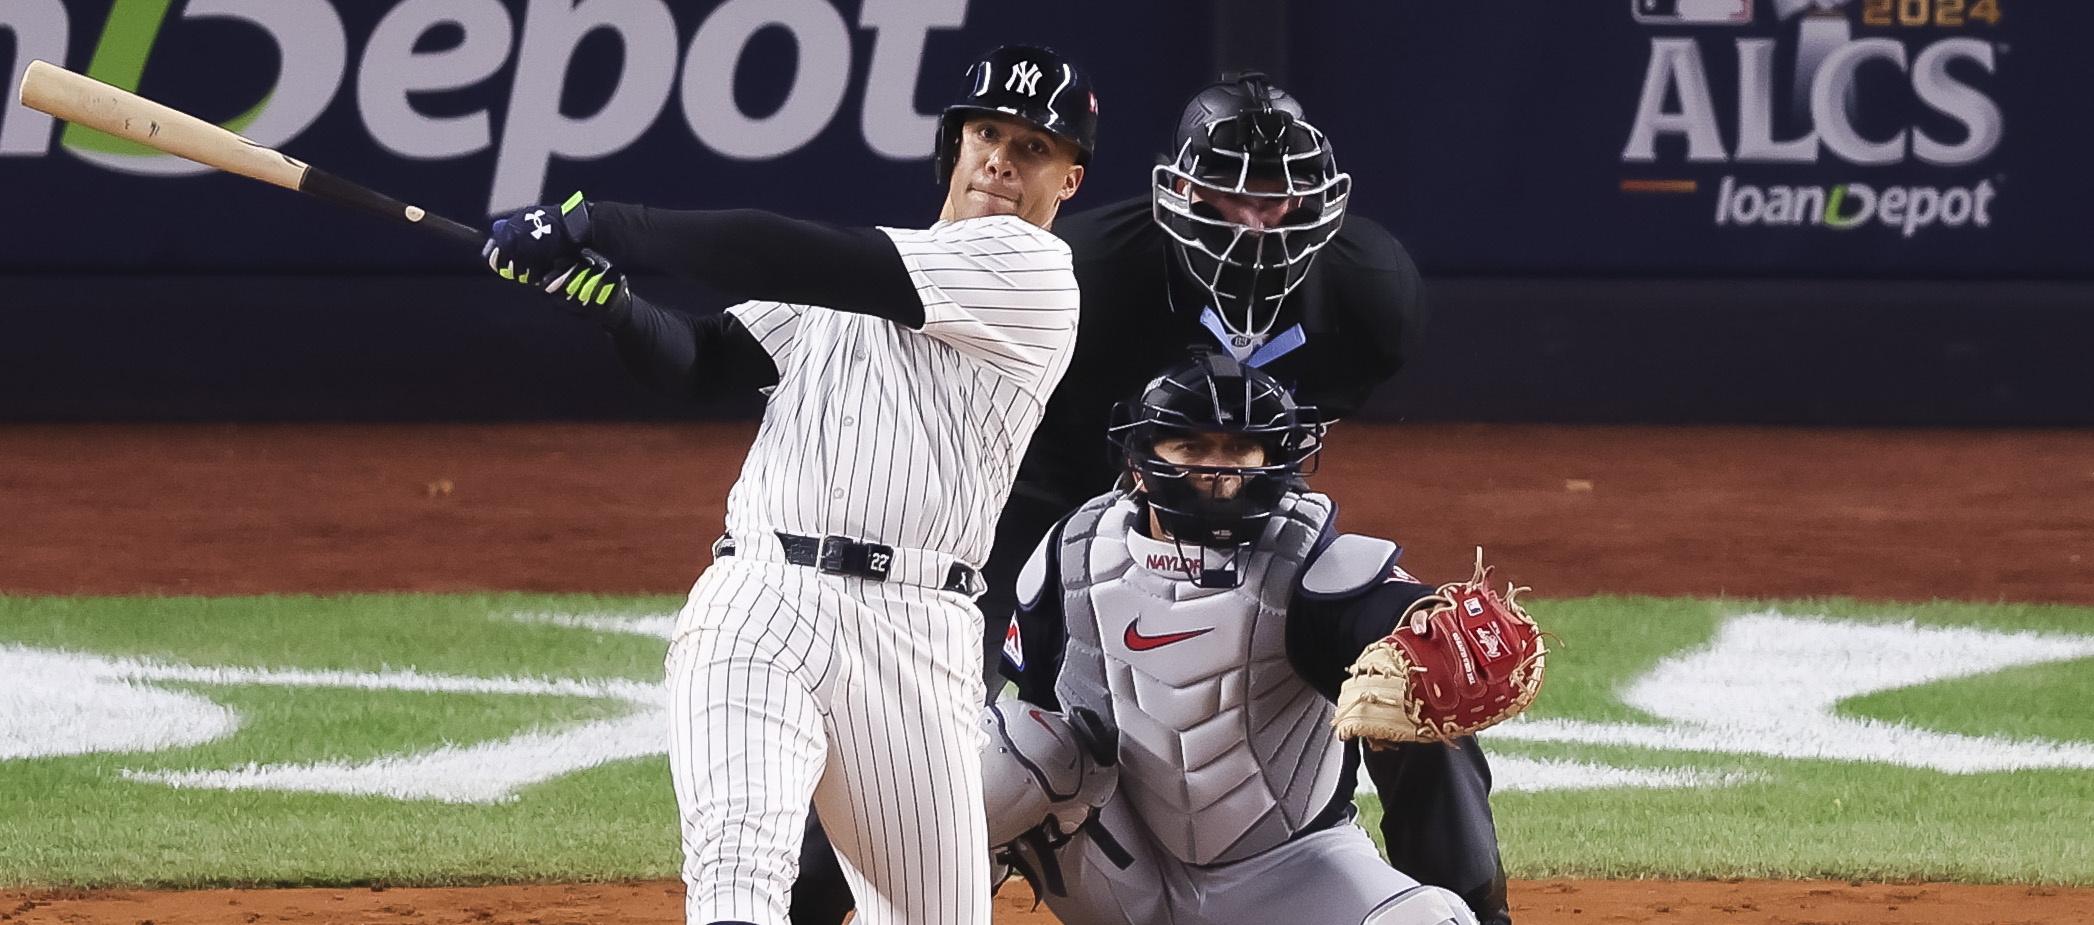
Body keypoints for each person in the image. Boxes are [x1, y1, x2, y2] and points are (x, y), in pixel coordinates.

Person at [790, 72, 1513, 925]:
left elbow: (1293, 446)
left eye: (1274, 200)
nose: (1253, 223)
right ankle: (806, 904)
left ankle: (1475, 911)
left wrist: (1390, 611)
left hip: (1239, 503)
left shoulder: (1371, 294)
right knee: (949, 716)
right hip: (1047, 496)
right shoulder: (1086, 276)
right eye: (1228, 196)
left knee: (1410, 683)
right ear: (1179, 191)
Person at [477, 45, 1098, 925]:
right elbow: (703, 359)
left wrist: (600, 222)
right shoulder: (865, 273)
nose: (1000, 159)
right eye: (985, 135)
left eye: (1032, 147)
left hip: (918, 638)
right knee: (739, 870)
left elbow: (790, 255)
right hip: (763, 600)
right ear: (954, 146)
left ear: (1068, 180)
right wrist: (612, 305)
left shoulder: (1030, 276)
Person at [982, 354, 1480, 925]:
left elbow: (1397, 623)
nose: (1219, 470)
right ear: (1141, 464)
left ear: (1274, 459)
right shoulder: (1073, 556)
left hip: (1292, 873)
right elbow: (1035, 710)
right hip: (1124, 877)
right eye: (1192, 447)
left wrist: (1431, 626)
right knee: (1004, 749)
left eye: (1241, 448)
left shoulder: (1314, 565)